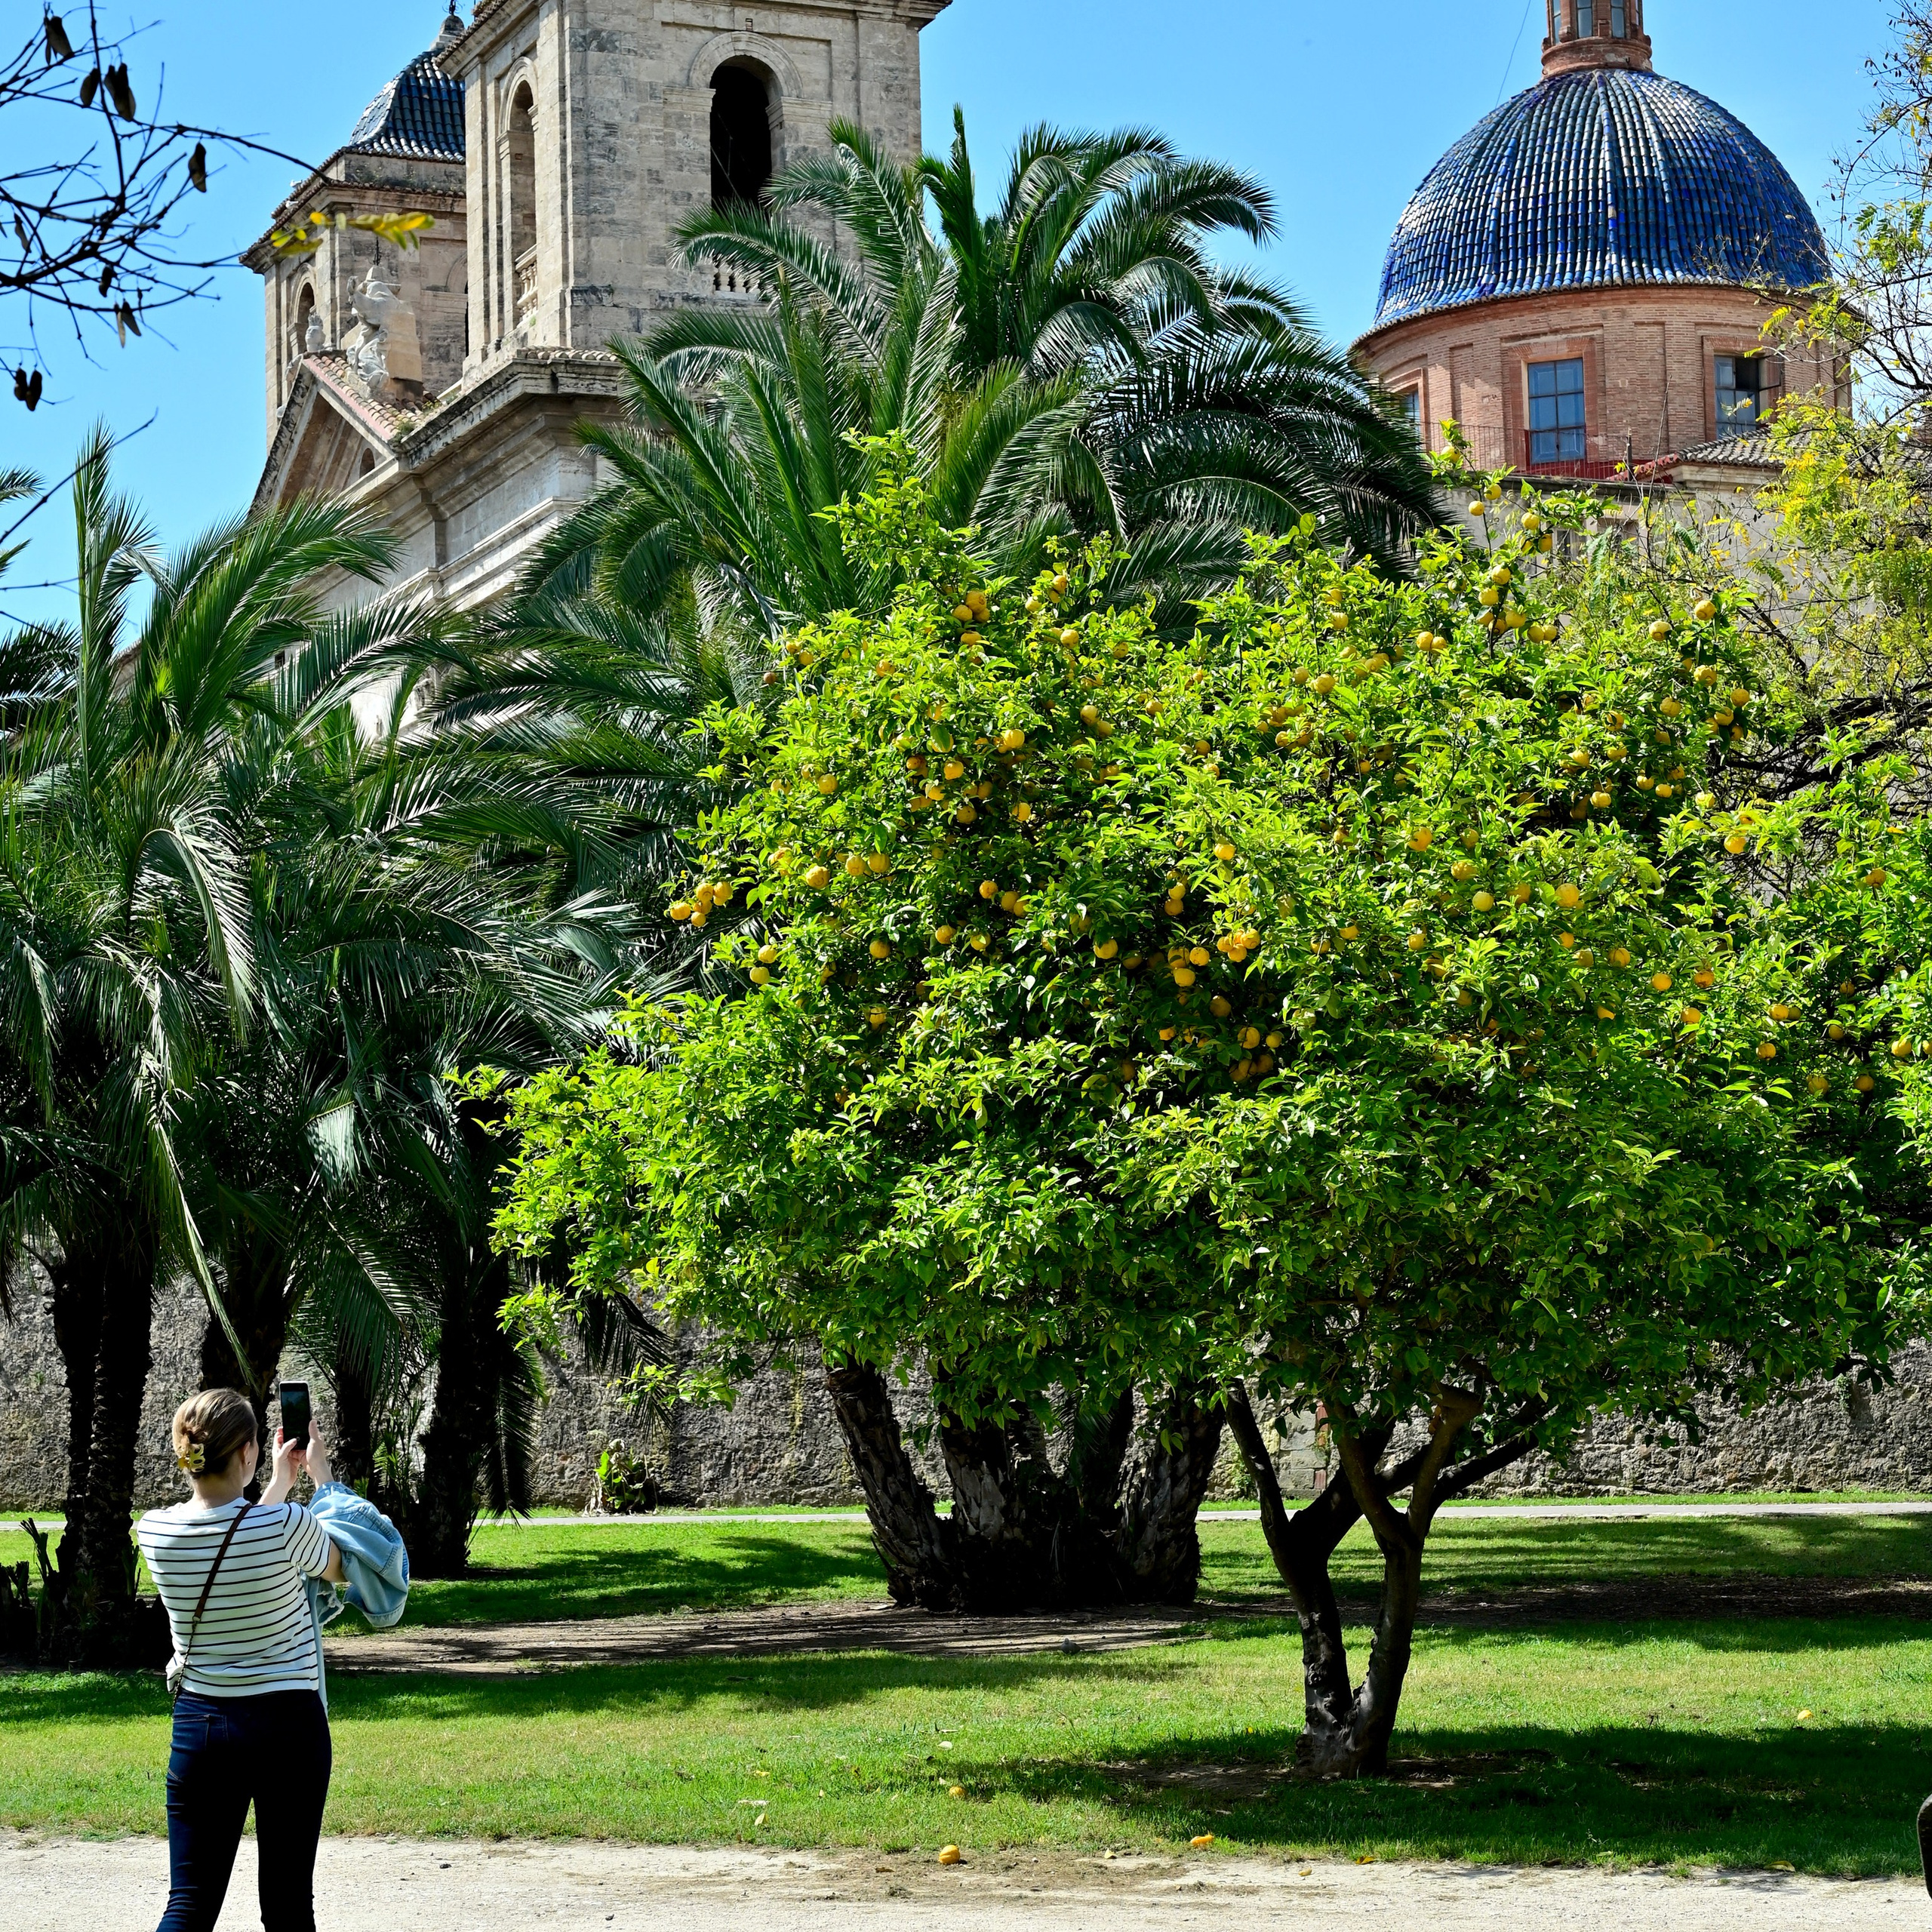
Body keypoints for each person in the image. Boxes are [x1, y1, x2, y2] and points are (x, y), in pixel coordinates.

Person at [137, 1389, 346, 1932]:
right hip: (289, 1729)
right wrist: (324, 1481)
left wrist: (276, 1485)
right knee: (287, 1905)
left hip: (203, 1727)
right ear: (250, 1451)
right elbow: (343, 1568)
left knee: (188, 1905)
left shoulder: (154, 1532)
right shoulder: (286, 1526)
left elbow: (235, 1535)